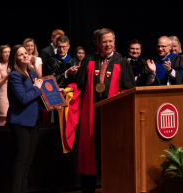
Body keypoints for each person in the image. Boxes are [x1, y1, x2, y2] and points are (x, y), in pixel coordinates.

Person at [60, 28, 136, 193]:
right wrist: (67, 91)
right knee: (89, 150)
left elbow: (129, 89)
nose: (108, 44)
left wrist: (116, 100)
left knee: (112, 149)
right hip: (91, 115)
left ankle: (115, 186)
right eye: (104, 41)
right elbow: (79, 85)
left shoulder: (121, 62)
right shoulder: (89, 60)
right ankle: (88, 189)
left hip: (112, 116)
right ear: (97, 43)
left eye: (110, 41)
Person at [7, 45, 43, 193]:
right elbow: (22, 98)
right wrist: (37, 88)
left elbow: (38, 94)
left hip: (33, 122)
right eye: (20, 54)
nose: (25, 56)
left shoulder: (32, 73)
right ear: (15, 59)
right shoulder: (15, 75)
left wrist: (56, 97)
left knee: (28, 163)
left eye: (26, 53)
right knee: (21, 162)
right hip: (20, 122)